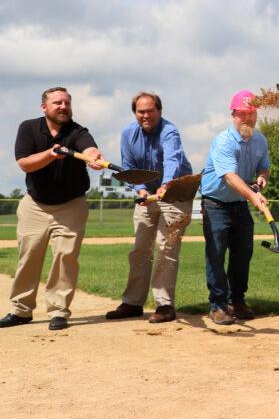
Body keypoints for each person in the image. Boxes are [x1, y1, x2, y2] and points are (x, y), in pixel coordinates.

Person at [2, 87, 105, 331]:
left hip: (71, 204)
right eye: (57, 103)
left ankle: (59, 311)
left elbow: (89, 148)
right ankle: (21, 310)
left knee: (65, 257)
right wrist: (50, 154)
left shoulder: (78, 131)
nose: (63, 107)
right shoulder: (28, 128)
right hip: (35, 205)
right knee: (29, 256)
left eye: (67, 103)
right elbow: (24, 164)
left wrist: (93, 156)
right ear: (44, 107)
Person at [105, 92, 193, 324]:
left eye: (150, 110)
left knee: (166, 248)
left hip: (175, 193)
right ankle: (133, 303)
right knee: (140, 250)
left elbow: (172, 160)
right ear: (135, 113)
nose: (145, 115)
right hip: (147, 195)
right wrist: (142, 191)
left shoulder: (169, 131)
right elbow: (128, 166)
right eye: (140, 111)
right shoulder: (127, 133)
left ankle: (164, 305)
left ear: (159, 111)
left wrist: (166, 186)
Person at [198, 90, 271, 326]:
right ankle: (218, 305)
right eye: (242, 114)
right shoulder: (224, 141)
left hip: (239, 204)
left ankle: (237, 300)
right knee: (216, 254)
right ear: (233, 114)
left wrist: (262, 178)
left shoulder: (260, 141)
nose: (247, 119)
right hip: (215, 204)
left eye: (251, 114)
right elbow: (229, 176)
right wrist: (253, 196)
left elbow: (264, 167)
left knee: (243, 254)